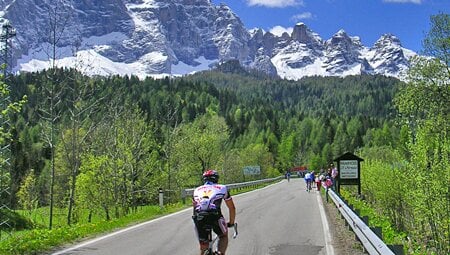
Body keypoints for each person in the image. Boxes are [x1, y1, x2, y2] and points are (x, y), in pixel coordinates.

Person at [192, 170, 236, 255]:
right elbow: (232, 208)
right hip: (215, 216)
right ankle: (220, 253)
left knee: (203, 246)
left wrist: (196, 221)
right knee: (223, 236)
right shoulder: (222, 188)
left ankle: (204, 249)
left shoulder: (196, 190)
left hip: (199, 218)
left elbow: (195, 208)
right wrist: (231, 222)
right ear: (216, 179)